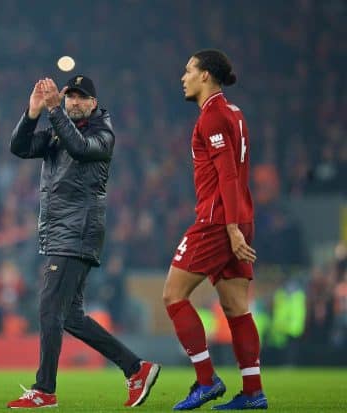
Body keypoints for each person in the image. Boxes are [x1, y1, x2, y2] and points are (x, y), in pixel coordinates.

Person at [7, 75, 160, 409]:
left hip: (76, 233)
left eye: (81, 98)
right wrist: (32, 112)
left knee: (49, 310)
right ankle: (136, 369)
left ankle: (44, 390)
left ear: (93, 103)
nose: (73, 102)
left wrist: (53, 112)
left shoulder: (102, 135)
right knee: (71, 317)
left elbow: (78, 147)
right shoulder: (57, 134)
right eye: (70, 97)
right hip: (61, 232)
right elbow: (18, 148)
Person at [162, 49, 268, 410]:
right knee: (236, 307)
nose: (183, 76)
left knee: (173, 296)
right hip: (240, 216)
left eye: (188, 69)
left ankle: (206, 381)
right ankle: (253, 392)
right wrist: (239, 224)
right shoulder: (234, 113)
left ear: (205, 75)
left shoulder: (211, 117)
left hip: (217, 221)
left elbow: (225, 173)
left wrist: (231, 228)